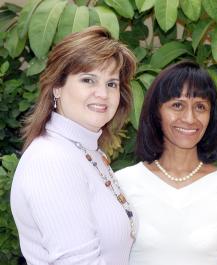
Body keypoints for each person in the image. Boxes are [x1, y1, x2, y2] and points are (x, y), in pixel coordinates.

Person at [11, 26, 136, 264]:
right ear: (57, 86)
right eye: (88, 80)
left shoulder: (85, 151)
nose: (103, 93)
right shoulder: (51, 160)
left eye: (112, 83)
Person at [116, 61, 217, 265]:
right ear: (156, 112)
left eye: (200, 107)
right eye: (177, 105)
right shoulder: (122, 183)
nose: (190, 118)